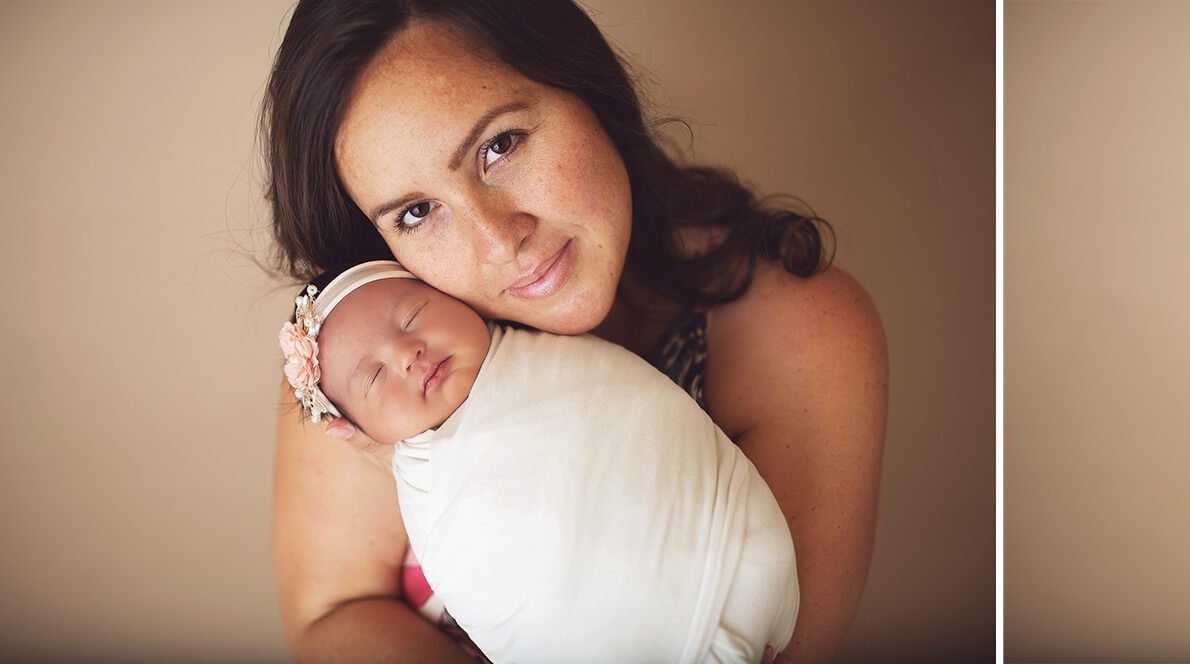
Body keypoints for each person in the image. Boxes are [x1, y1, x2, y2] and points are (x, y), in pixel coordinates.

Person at [265, 2, 887, 662]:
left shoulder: (797, 331)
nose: (498, 241)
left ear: (586, 87)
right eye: (417, 212)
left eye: (498, 146)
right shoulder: (372, 366)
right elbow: (332, 618)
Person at [279, 260, 799, 661]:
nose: (406, 353)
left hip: (745, 565)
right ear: (354, 431)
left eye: (413, 315)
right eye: (374, 378)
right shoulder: (424, 486)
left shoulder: (546, 358)